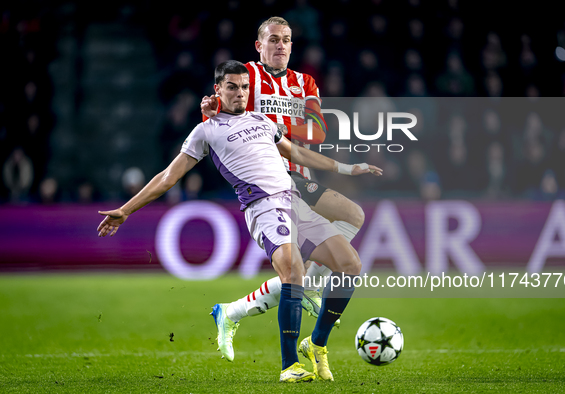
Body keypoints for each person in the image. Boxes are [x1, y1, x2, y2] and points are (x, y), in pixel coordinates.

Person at [97, 61, 382, 382]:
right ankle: (290, 366)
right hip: (263, 206)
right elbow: (167, 177)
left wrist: (347, 168)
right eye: (232, 87)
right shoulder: (206, 130)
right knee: (293, 270)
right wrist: (126, 209)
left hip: (294, 200)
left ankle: (316, 343)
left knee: (350, 265)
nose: (240, 93)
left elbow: (298, 155)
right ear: (217, 89)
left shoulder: (262, 120)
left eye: (245, 87)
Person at [201, 16, 369, 362]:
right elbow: (218, 118)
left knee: (350, 218)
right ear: (259, 46)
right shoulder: (244, 77)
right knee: (300, 271)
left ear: (292, 46)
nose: (281, 45)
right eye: (274, 39)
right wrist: (211, 112)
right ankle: (285, 331)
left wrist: (270, 122)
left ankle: (231, 312)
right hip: (270, 178)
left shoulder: (304, 82)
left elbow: (318, 132)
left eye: (287, 40)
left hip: (298, 174)